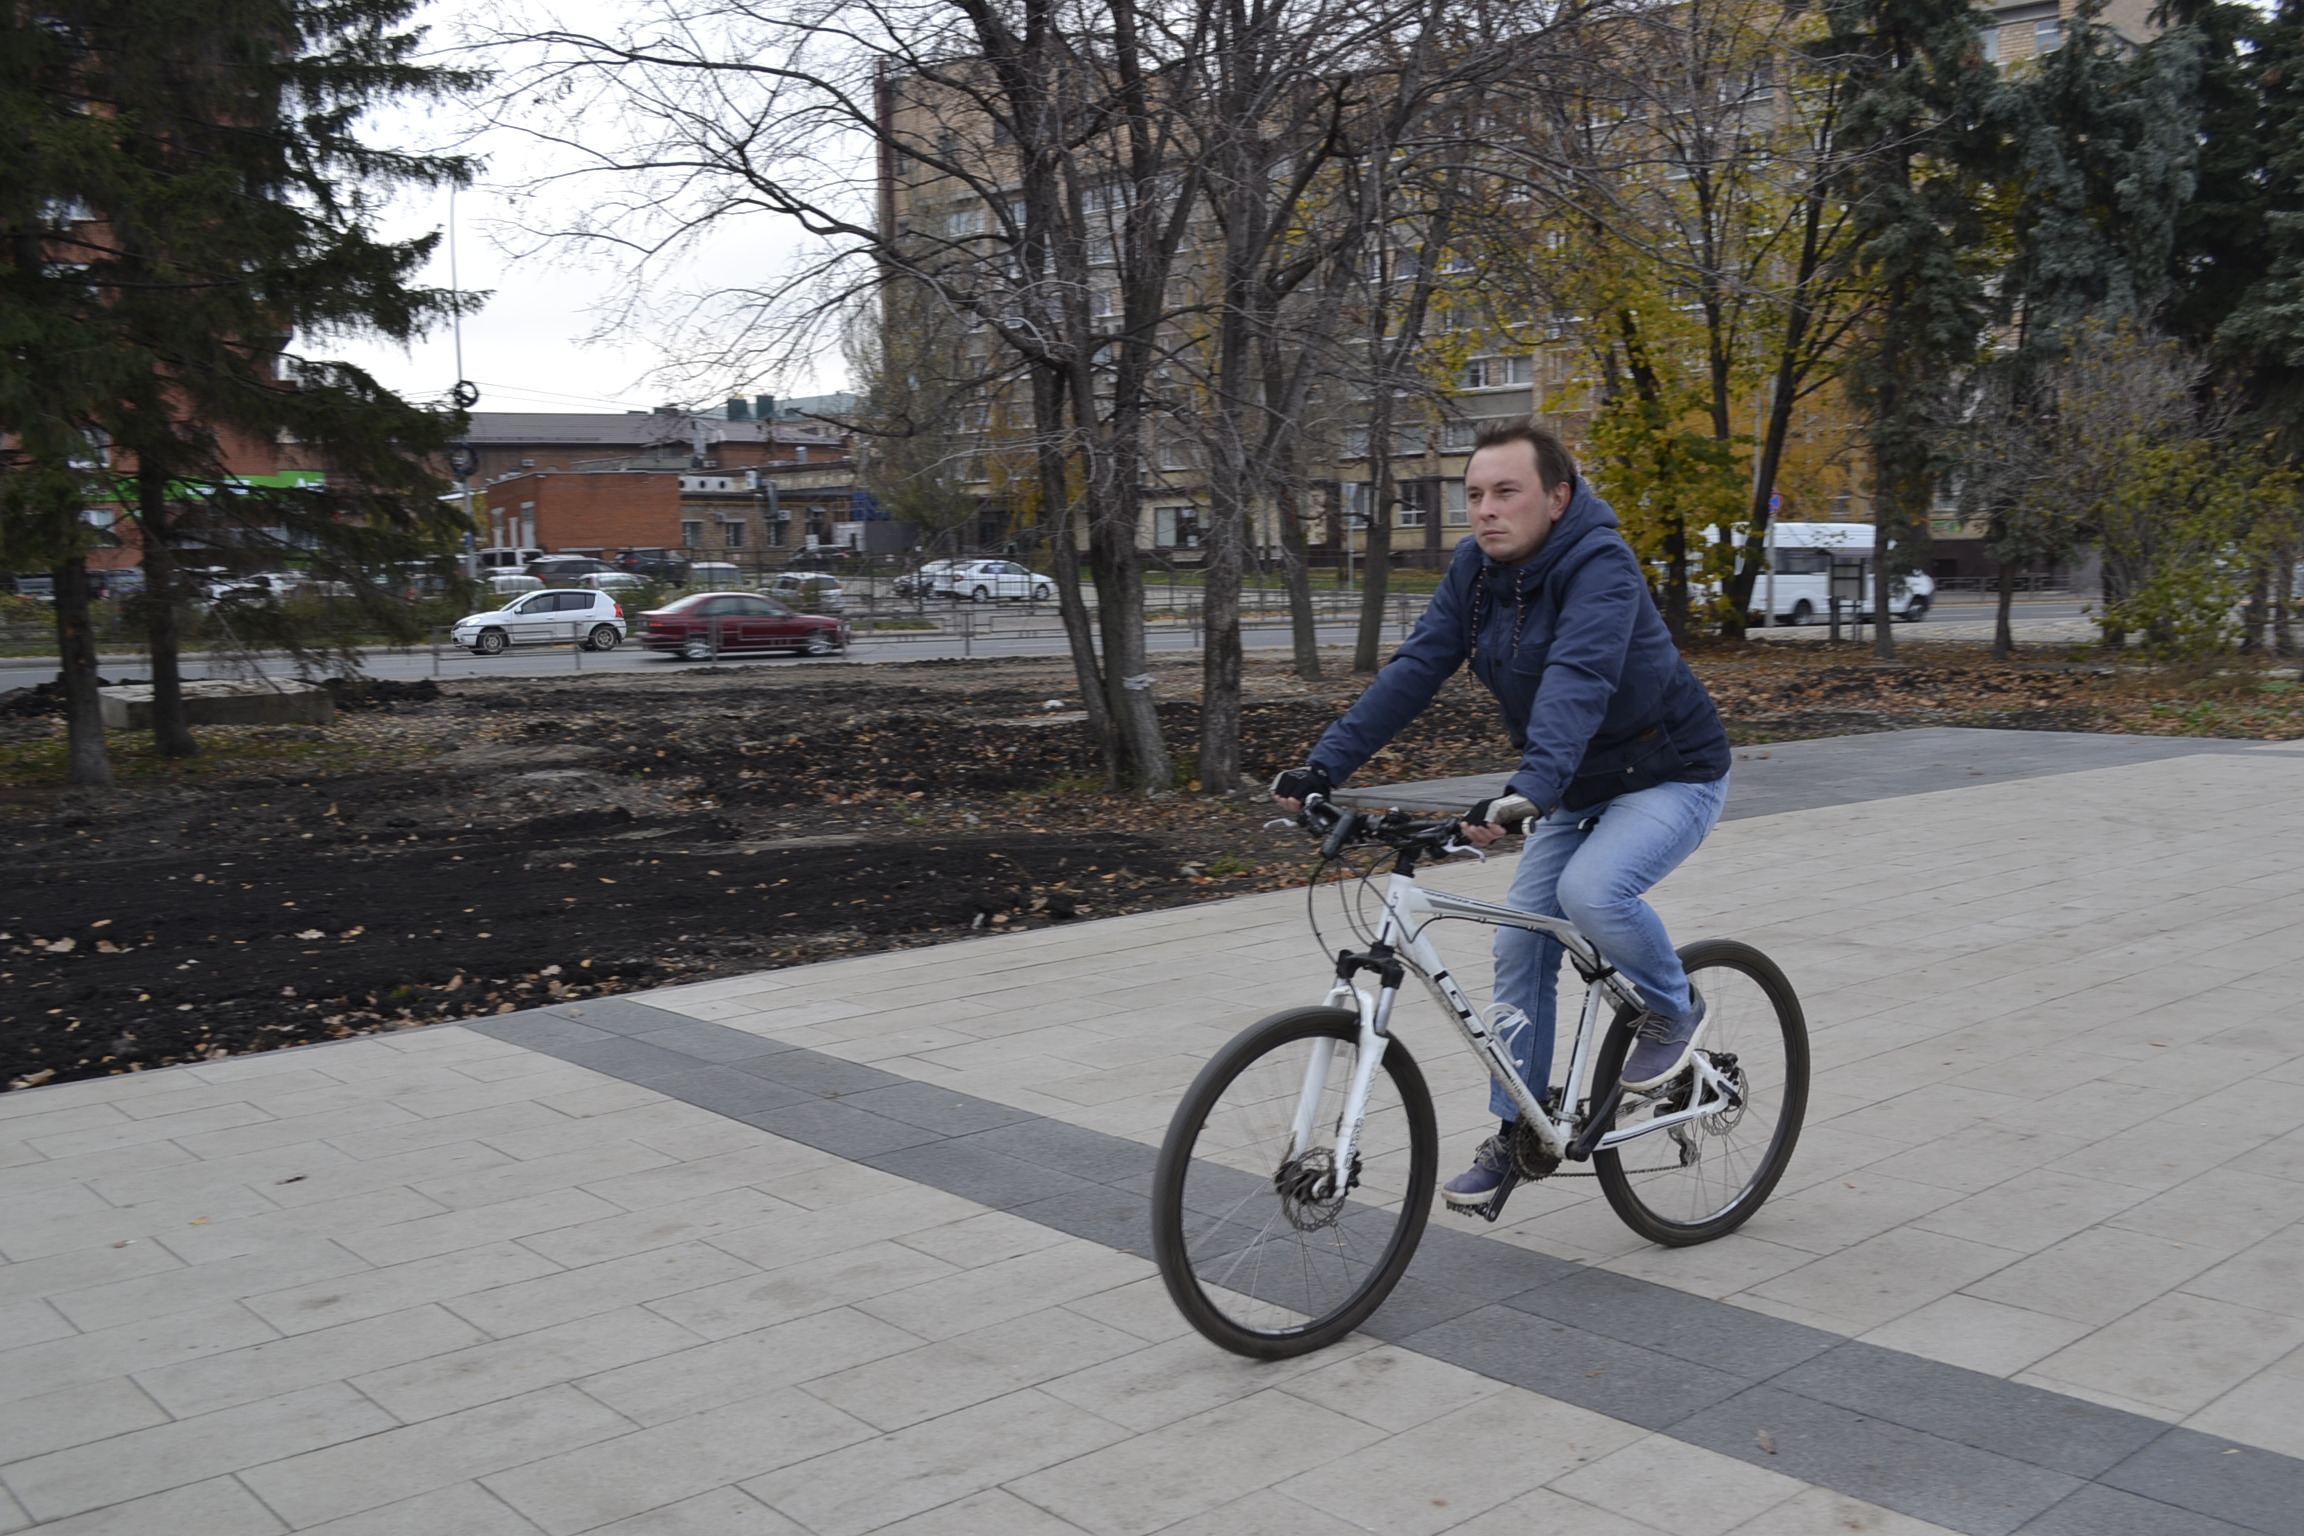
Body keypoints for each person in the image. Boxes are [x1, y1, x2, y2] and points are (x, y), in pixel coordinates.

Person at [1270, 418, 1732, 1212]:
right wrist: (1325, 764)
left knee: (1593, 892)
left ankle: (1673, 1006)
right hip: (1573, 787)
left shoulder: (1602, 565)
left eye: (1505, 492)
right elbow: (1417, 667)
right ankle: (1520, 1129)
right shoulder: (1476, 573)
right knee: (1522, 944)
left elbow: (1578, 677)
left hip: (1670, 773)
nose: (1485, 510)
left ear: (1557, 498)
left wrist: (1531, 789)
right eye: (1474, 494)